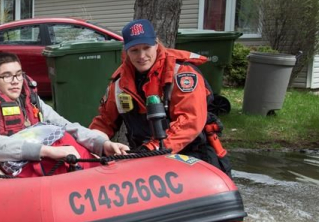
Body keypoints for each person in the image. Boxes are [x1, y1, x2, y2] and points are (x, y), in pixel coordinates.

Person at [89, 19, 232, 174]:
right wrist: (93, 143)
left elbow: (190, 121)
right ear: (126, 51)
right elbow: (104, 122)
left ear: (156, 44)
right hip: (145, 157)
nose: (142, 56)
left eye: (146, 48)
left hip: (191, 155)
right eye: (134, 50)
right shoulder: (119, 84)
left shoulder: (182, 73)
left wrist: (153, 148)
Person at [0, 52, 128, 179]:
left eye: (18, 74)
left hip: (43, 165)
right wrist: (46, 151)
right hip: (13, 173)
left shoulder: (32, 102)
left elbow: (65, 125)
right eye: (6, 76)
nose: (16, 81)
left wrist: (103, 144)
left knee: (99, 136)